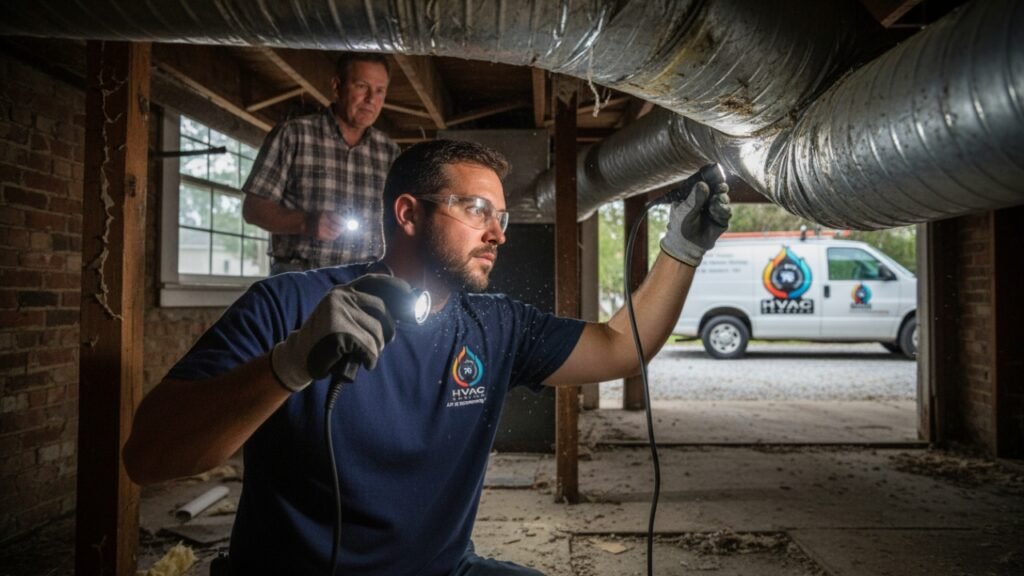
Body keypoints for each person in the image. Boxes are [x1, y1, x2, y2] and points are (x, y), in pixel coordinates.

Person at [124, 140, 731, 575]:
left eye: (501, 216)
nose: (498, 233)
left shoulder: (496, 326)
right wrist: (289, 365)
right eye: (476, 211)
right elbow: (148, 457)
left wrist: (680, 251)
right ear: (409, 213)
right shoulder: (289, 306)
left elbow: (621, 347)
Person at [242, 52, 401, 274]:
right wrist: (306, 222)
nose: (371, 99)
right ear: (336, 86)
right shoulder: (293, 135)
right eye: (362, 86)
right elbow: (253, 209)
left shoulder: (390, 152)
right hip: (301, 276)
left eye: (379, 90)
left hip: (366, 280)